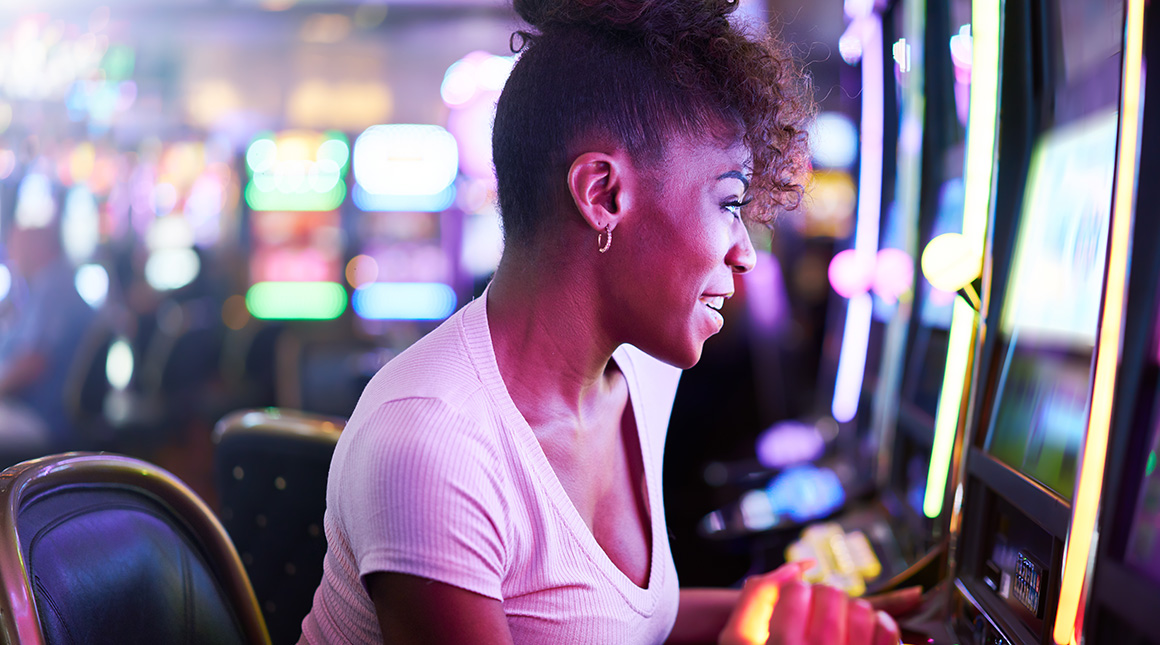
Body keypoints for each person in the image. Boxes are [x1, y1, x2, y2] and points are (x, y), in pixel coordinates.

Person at [300, 0, 906, 643]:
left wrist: (778, 612)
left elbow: (621, 627)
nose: (746, 252)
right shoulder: (434, 443)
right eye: (730, 203)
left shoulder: (639, 369)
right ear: (603, 194)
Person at [0, 224, 95, 457]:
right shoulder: (58, 283)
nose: (12, 257)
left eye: (16, 247)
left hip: (42, 418)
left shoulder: (52, 289)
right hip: (44, 413)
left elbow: (33, 363)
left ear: (39, 246)